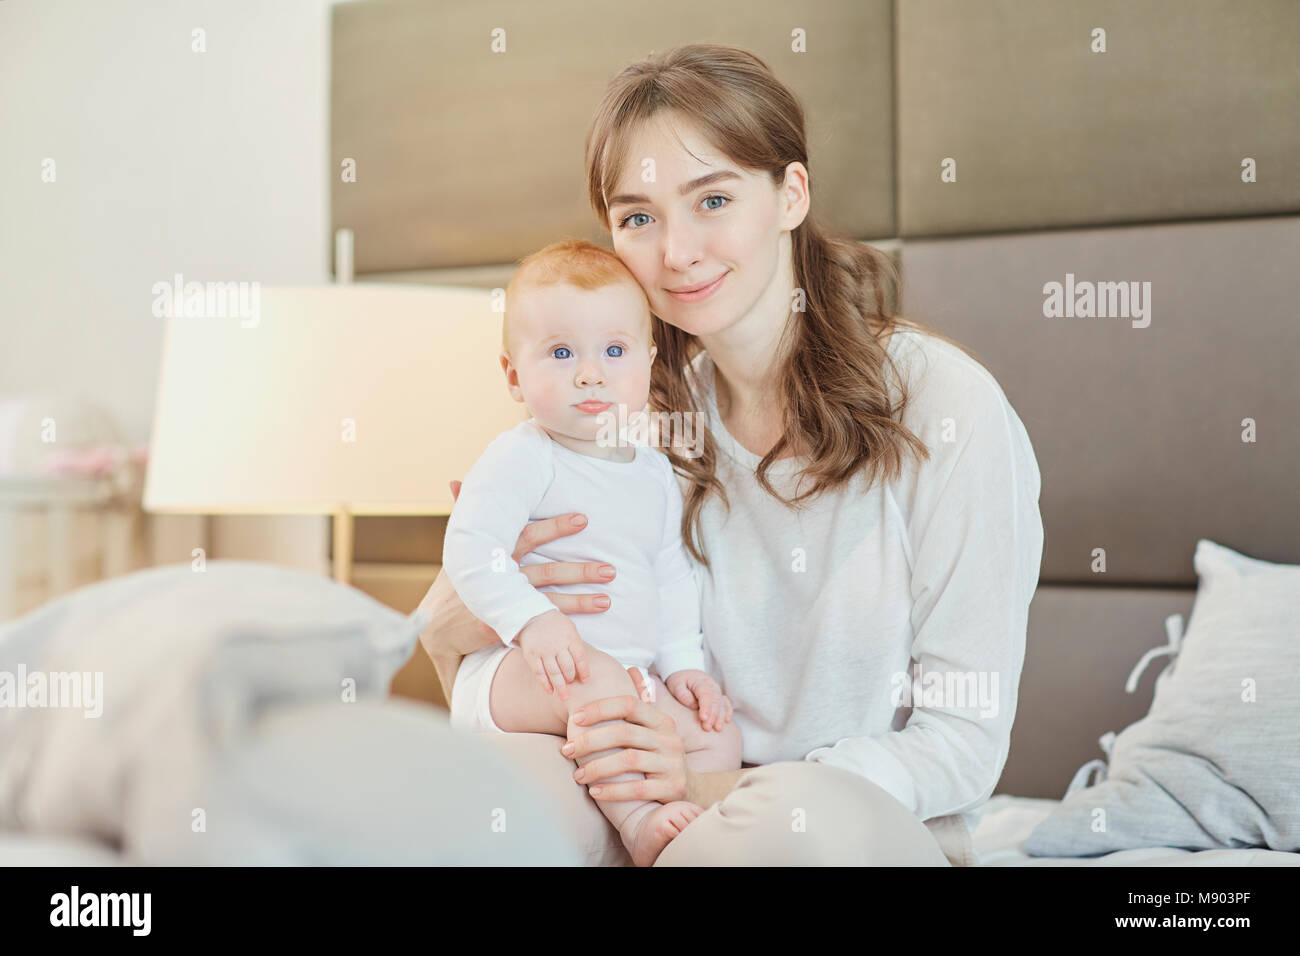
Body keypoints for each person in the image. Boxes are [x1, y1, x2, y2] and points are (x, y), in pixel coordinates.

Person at [419, 43, 1044, 866]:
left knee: (801, 823)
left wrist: (711, 790)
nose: (676, 252)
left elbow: (962, 742)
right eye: (638, 217)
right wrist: (445, 632)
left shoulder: (945, 408)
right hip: (660, 803)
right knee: (490, 806)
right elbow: (510, 694)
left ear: (791, 194)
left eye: (712, 199)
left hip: (839, 827)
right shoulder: (626, 422)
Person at [441, 238, 742, 866]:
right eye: (559, 353)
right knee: (595, 674)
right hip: (519, 676)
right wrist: (532, 619)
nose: (589, 373)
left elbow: (671, 574)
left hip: (625, 675)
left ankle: (703, 829)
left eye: (613, 351)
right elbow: (471, 547)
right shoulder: (525, 455)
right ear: (513, 375)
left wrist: (685, 666)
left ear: (648, 362)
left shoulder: (655, 472)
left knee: (715, 732)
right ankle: (637, 823)